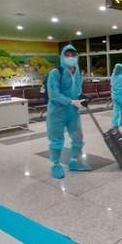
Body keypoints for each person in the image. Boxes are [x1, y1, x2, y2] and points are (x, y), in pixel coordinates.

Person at [46, 44, 91, 179]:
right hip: (56, 112)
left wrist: (81, 98)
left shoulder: (77, 73)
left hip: (72, 112)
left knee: (78, 137)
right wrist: (70, 101)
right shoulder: (55, 73)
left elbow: (77, 90)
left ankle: (75, 161)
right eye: (67, 55)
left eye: (73, 55)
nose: (71, 58)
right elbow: (53, 94)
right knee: (56, 139)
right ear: (62, 57)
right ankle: (55, 165)